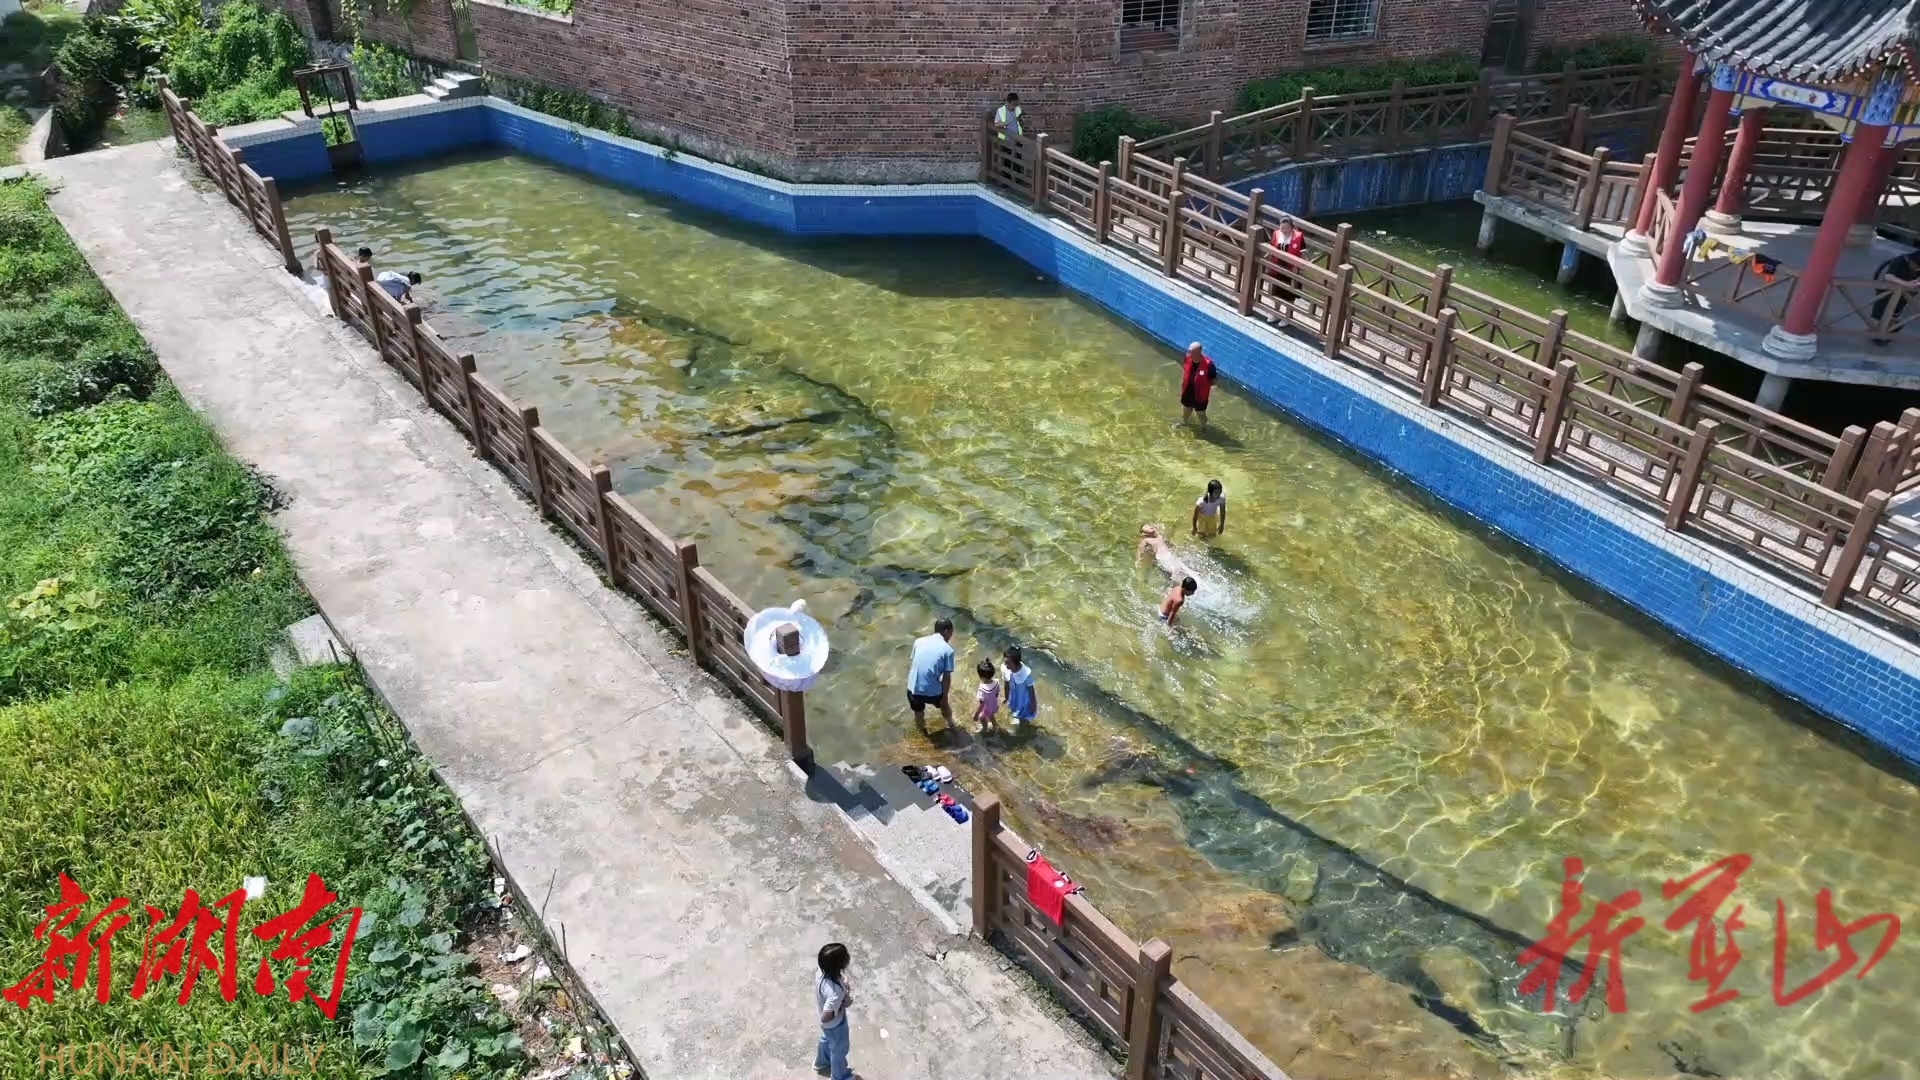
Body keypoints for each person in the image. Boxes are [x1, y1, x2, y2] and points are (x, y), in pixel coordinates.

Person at [906, 618, 956, 729]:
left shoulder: (918, 641)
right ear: (946, 631)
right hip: (931, 692)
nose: (951, 636)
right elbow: (946, 678)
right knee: (944, 704)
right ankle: (951, 724)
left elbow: (916, 664)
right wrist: (944, 698)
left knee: (918, 711)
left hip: (912, 689)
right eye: (951, 633)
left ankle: (921, 730)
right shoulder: (948, 650)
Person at [813, 942, 854, 1080]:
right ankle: (840, 1076)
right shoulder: (836, 993)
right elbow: (826, 1016)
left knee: (826, 1039)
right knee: (839, 1050)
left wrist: (842, 982)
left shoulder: (820, 972)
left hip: (827, 1027)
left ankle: (822, 1062)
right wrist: (841, 1004)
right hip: (835, 1025)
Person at [1871, 248, 1920, 347]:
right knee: (1881, 313)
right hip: (1887, 292)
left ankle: (1887, 332)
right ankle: (1877, 334)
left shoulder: (1916, 267)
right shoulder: (1900, 261)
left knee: (1895, 315)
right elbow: (1888, 276)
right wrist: (1906, 284)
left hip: (1903, 296)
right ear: (1911, 262)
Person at [1267, 216, 1305, 318]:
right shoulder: (1276, 234)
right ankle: (1276, 313)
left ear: (1291, 227)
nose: (1284, 230)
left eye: (1287, 228)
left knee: (1289, 295)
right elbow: (1271, 250)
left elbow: (1303, 254)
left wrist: (1299, 267)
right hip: (1278, 267)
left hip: (1291, 269)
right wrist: (1269, 265)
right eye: (1282, 228)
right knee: (1276, 292)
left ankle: (1287, 317)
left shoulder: (1298, 237)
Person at [1178, 342, 1216, 428]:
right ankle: (1184, 422)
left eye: (1190, 351)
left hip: (1200, 395)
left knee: (1201, 414)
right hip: (1188, 390)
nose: (1188, 353)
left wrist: (1206, 387)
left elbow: (1214, 380)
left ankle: (1203, 427)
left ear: (1198, 353)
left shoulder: (1209, 365)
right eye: (1188, 351)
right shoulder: (1187, 358)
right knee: (1186, 409)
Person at [1002, 646, 1038, 730]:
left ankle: (1024, 727)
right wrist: (1006, 697)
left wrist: (1033, 705)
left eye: (1007, 663)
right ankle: (1018, 718)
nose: (1005, 665)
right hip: (1014, 695)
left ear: (1015, 663)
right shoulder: (1006, 669)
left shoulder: (1025, 674)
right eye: (1004, 662)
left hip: (1023, 698)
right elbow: (1006, 684)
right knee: (1014, 709)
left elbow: (1031, 690)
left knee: (1024, 714)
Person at [972, 658, 1001, 734]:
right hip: (993, 705)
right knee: (991, 715)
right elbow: (997, 693)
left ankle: (985, 729)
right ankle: (995, 726)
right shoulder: (996, 682)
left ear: (981, 676)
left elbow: (981, 704)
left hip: (986, 707)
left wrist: (976, 714)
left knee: (981, 717)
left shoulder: (982, 689)